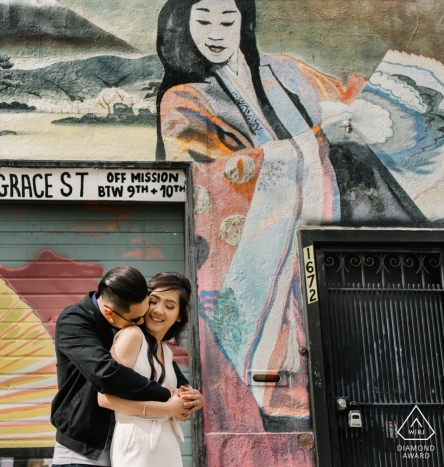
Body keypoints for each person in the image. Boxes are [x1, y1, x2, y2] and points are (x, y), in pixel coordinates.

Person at [155, 0, 426, 426]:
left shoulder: (285, 72)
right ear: (181, 26)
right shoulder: (184, 99)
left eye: (228, 19)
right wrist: (318, 140)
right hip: (262, 251)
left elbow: (348, 99)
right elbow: (210, 175)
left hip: (328, 233)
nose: (216, 31)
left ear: (245, 22)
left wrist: (380, 106)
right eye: (203, 20)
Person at [50, 266, 203, 467]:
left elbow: (162, 371)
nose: (141, 321)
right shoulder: (76, 322)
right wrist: (167, 399)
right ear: (110, 313)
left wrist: (190, 395)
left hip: (122, 446)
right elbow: (106, 374)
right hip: (82, 449)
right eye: (153, 302)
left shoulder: (148, 340)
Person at [97, 272, 200, 467]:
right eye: (153, 301)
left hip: (166, 442)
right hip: (136, 441)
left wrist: (193, 399)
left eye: (169, 306)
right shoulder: (131, 335)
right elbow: (104, 398)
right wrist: (167, 408)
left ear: (179, 316)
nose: (159, 310)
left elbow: (173, 397)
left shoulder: (166, 352)